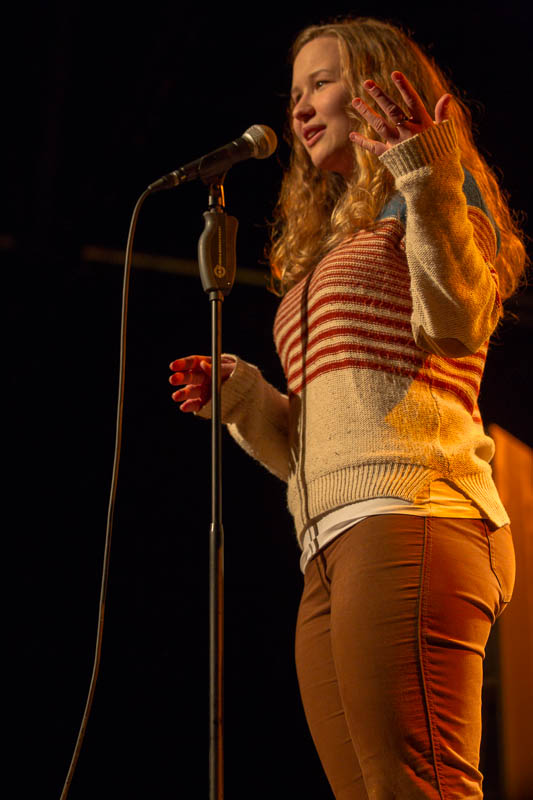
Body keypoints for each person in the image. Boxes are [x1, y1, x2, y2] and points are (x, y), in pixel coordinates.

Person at [168, 17, 527, 800]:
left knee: (417, 786)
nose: (299, 106)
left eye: (321, 83)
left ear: (373, 85)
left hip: (412, 513)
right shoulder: (338, 241)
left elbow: (458, 320)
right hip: (329, 539)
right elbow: (324, 441)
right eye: (294, 91)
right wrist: (246, 399)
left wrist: (425, 176)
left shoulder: (433, 194)